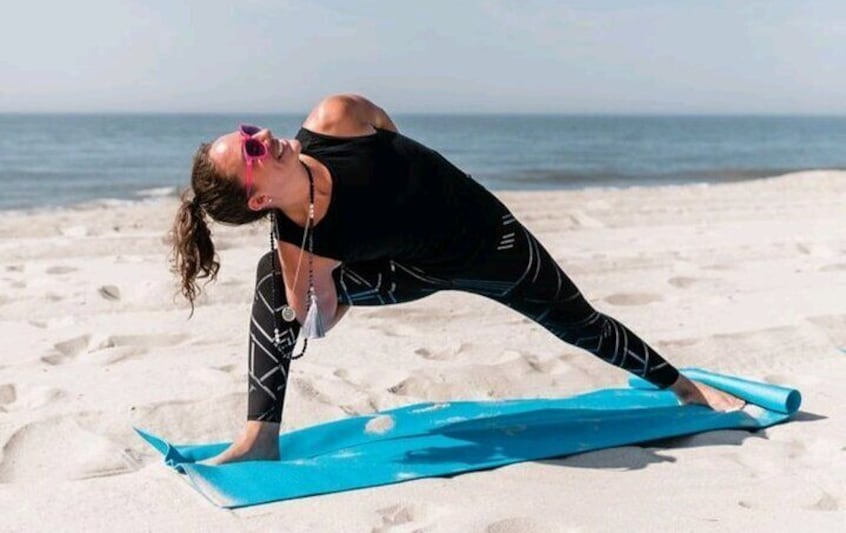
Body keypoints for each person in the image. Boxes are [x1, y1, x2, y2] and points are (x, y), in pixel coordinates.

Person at [170, 93, 745, 464]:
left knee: (579, 323)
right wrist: (321, 284)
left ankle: (683, 387)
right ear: (260, 197)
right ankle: (259, 437)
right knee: (273, 277)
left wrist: (410, 194)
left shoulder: (335, 119)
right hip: (413, 269)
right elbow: (316, 318)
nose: (262, 133)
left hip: (489, 242)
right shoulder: (298, 244)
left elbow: (389, 132)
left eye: (249, 129)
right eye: (250, 148)